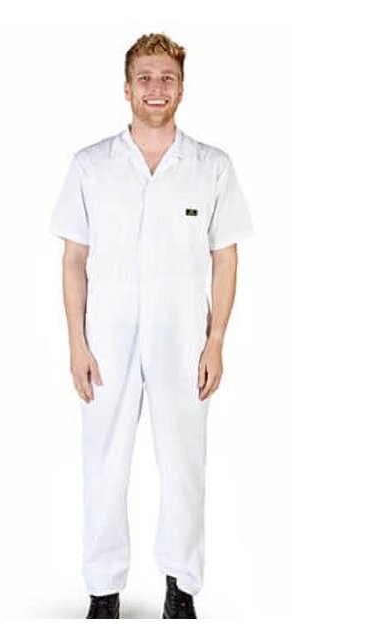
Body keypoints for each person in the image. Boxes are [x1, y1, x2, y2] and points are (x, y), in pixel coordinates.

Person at [49, 32, 255, 618]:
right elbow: (73, 259)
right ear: (126, 88)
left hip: (183, 336)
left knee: (185, 461)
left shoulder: (211, 167)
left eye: (167, 78)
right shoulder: (91, 165)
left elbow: (225, 257)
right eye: (145, 78)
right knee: (103, 461)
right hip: (107, 338)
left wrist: (216, 341)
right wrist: (76, 343)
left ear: (182, 88)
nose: (156, 89)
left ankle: (180, 587)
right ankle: (103, 589)